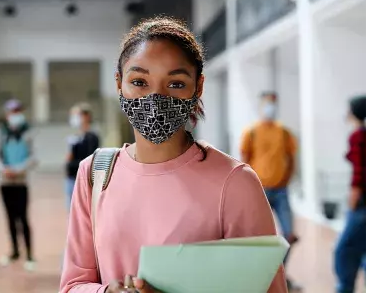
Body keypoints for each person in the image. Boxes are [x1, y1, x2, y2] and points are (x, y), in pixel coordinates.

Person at [59, 17, 287, 293]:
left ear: (198, 87)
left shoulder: (235, 183)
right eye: (139, 81)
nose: (155, 98)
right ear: (119, 83)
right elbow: (73, 285)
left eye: (176, 84)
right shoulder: (95, 173)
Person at [240, 91, 299, 290]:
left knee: (289, 234)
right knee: (258, 236)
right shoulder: (251, 132)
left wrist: (286, 179)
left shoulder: (284, 132)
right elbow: (244, 159)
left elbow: (291, 159)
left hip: (281, 191)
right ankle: (262, 276)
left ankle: (280, 272)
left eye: (273, 103)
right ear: (260, 105)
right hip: (260, 191)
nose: (270, 107)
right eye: (267, 103)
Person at [0, 99, 37, 271]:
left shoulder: (27, 133)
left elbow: (33, 158)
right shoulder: (0, 133)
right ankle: (15, 251)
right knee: (9, 218)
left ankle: (30, 254)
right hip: (5, 182)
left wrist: (18, 169)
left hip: (21, 182)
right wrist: (3, 169)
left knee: (22, 217)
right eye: (12, 112)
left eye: (18, 111)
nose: (15, 115)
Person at [334, 95, 366, 293]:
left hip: (362, 205)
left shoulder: (358, 136)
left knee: (343, 251)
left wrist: (353, 200)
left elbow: (359, 173)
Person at [65, 102, 100, 211]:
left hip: (81, 178)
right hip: (71, 176)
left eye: (78, 115)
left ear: (86, 116)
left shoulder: (92, 136)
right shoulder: (77, 135)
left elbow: (90, 158)